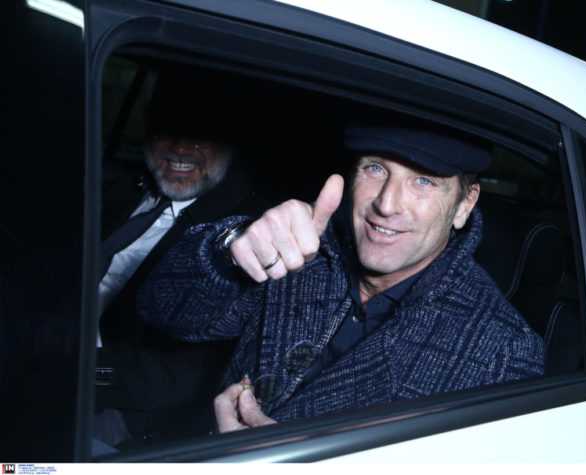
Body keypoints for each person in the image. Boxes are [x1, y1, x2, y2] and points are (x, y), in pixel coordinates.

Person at [139, 126, 544, 433]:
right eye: (375, 168)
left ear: (465, 204)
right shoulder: (302, 251)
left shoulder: (502, 352)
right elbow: (162, 311)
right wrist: (229, 248)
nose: (387, 204)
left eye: (424, 180)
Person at [94, 69, 268, 446]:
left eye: (202, 134)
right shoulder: (122, 187)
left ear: (231, 142)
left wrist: (80, 369)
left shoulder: (242, 238)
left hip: (120, 408)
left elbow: (182, 376)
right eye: (168, 129)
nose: (181, 148)